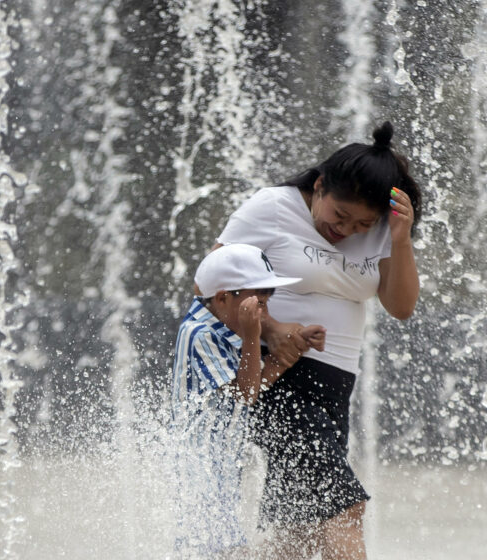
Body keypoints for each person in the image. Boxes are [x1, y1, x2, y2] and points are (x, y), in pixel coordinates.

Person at [214, 121, 422, 559]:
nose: (345, 230)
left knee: (296, 539)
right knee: (346, 509)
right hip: (279, 376)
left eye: (362, 224)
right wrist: (270, 328)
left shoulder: (386, 229)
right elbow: (212, 284)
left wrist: (400, 239)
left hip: (333, 388)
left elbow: (401, 307)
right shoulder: (273, 207)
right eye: (339, 215)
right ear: (321, 185)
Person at [170, 243, 325, 558]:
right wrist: (254, 336)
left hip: (220, 464)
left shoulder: (224, 327)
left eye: (266, 304)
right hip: (198, 468)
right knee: (220, 550)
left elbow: (249, 386)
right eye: (257, 305)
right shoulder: (199, 333)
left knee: (222, 548)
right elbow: (247, 393)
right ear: (224, 297)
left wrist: (284, 357)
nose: (263, 314)